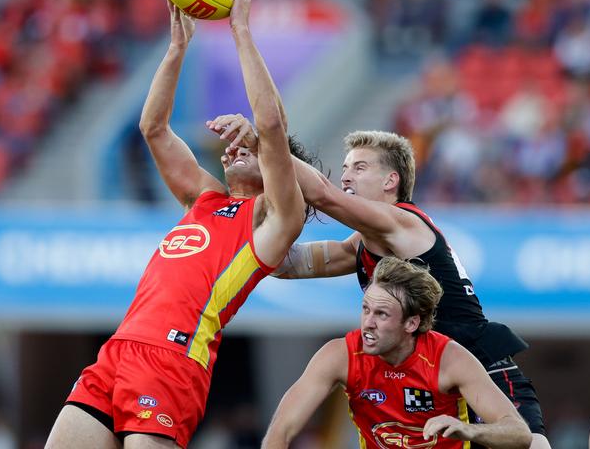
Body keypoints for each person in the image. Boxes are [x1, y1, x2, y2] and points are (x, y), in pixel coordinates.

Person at [45, 0, 307, 449]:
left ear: (274, 169)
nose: (229, 150)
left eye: (242, 147)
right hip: (118, 351)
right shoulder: (205, 199)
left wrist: (240, 30)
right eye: (226, 149)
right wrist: (176, 48)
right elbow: (154, 129)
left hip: (174, 358)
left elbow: (270, 125)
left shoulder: (273, 220)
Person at [206, 122, 550, 449]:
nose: (345, 175)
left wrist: (265, 143)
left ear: (391, 180)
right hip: (429, 379)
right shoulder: (362, 243)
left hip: (481, 363)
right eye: (344, 166)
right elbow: (284, 263)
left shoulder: (402, 222)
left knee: (532, 444)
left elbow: (323, 195)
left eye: (359, 167)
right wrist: (252, 191)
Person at [261, 256, 532, 449]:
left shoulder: (450, 360)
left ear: (411, 323)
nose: (367, 322)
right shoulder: (340, 356)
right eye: (366, 309)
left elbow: (519, 434)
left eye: (381, 314)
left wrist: (469, 430)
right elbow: (281, 431)